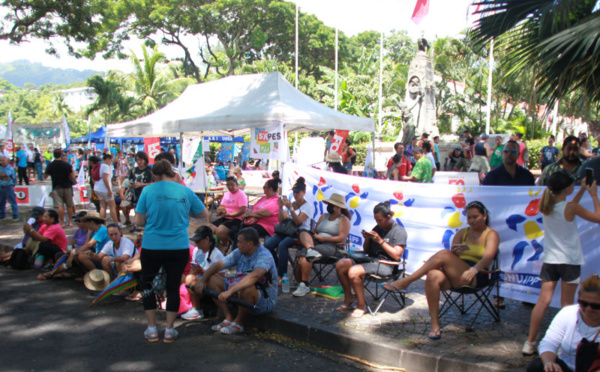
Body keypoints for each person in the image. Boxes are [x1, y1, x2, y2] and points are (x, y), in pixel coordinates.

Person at [384, 201, 499, 340]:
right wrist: (455, 252)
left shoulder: (491, 234)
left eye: (475, 217)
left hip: (477, 274)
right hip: (457, 273)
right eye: (469, 217)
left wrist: (473, 270)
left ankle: (406, 281)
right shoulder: (463, 232)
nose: (472, 221)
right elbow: (451, 257)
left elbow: (488, 257)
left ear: (485, 216)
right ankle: (435, 326)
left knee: (444, 254)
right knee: (433, 274)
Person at [522, 170, 600, 355]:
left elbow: (569, 205)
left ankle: (530, 342)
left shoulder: (546, 205)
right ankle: (563, 345)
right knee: (567, 306)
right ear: (567, 189)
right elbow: (597, 217)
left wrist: (581, 191)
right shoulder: (569, 208)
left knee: (543, 302)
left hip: (551, 260)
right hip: (570, 262)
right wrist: (594, 194)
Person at [135, 159, 207, 343]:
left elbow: (139, 222)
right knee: (173, 286)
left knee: (148, 285)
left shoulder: (147, 190)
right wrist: (183, 213)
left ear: (155, 175)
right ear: (172, 172)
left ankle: (151, 329)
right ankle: (169, 330)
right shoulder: (184, 190)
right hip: (178, 246)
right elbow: (203, 214)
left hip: (152, 245)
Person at [192, 227, 278, 335]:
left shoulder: (264, 256)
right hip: (238, 291)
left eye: (240, 242)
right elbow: (218, 265)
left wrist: (230, 292)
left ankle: (238, 323)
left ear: (250, 244)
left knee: (247, 287)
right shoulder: (240, 251)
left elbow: (254, 276)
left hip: (263, 300)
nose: (237, 244)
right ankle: (228, 318)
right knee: (211, 278)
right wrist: (202, 280)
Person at [335, 202, 407, 318]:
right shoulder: (377, 228)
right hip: (371, 260)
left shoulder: (399, 231)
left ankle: (361, 305)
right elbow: (366, 250)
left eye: (380, 220)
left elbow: (397, 256)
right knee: (341, 264)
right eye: (376, 220)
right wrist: (367, 239)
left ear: (388, 217)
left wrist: (381, 241)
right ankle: (349, 297)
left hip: (386, 265)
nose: (377, 223)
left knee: (354, 271)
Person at [525, 274, 600, 372]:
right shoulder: (568, 312)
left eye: (595, 306)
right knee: (537, 366)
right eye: (583, 304)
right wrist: (549, 363)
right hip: (565, 368)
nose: (588, 309)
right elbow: (549, 342)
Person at [293, 193, 351, 297]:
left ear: (337, 207)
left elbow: (342, 238)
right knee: (303, 232)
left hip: (333, 247)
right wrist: (313, 237)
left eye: (330, 204)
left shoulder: (343, 219)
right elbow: (314, 231)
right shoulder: (324, 216)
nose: (328, 206)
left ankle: (303, 284)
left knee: (303, 252)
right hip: (317, 242)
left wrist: (323, 238)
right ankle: (310, 249)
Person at [264, 177, 313, 282]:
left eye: (298, 192)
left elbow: (298, 222)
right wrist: (281, 207)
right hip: (287, 231)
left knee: (282, 245)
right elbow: (281, 220)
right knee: (267, 245)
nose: (295, 195)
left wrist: (290, 208)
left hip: (300, 233)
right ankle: (276, 268)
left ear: (303, 192)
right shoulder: (291, 204)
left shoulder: (308, 206)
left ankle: (283, 275)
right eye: (294, 192)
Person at [181, 226, 226, 320]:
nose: (196, 244)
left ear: (207, 239)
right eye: (195, 242)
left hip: (212, 284)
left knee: (191, 279)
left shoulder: (216, 254)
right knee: (188, 278)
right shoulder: (197, 251)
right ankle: (196, 308)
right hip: (199, 282)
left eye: (198, 241)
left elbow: (222, 277)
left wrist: (203, 272)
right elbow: (192, 269)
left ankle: (198, 309)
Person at [208, 176, 248, 253]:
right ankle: (217, 246)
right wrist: (220, 210)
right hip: (226, 216)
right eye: (228, 185)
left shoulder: (241, 194)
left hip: (236, 218)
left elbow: (242, 210)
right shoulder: (226, 194)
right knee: (208, 229)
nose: (230, 187)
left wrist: (230, 215)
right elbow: (222, 206)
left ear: (236, 184)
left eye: (232, 185)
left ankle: (225, 244)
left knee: (220, 231)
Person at [44, 149, 76, 227]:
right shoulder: (66, 165)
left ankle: (62, 222)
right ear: (61, 155)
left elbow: (45, 176)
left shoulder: (51, 165)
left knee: (60, 206)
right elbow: (72, 176)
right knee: (69, 205)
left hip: (56, 187)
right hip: (67, 186)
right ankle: (70, 222)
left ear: (53, 155)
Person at [94, 153, 121, 226]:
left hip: (98, 188)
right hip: (104, 188)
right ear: (108, 159)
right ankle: (116, 223)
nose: (111, 162)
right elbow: (105, 178)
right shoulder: (105, 166)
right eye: (111, 160)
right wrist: (109, 190)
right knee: (112, 206)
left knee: (102, 206)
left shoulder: (99, 165)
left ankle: (102, 224)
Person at [0, 155, 19, 221]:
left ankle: (15, 216)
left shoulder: (10, 168)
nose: (2, 162)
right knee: (1, 202)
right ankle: (2, 215)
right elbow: (4, 175)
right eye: (1, 160)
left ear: (7, 160)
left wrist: (3, 175)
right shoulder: (0, 168)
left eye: (3, 160)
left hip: (9, 187)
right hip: (1, 187)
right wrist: (3, 176)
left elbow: (5, 175)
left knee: (12, 202)